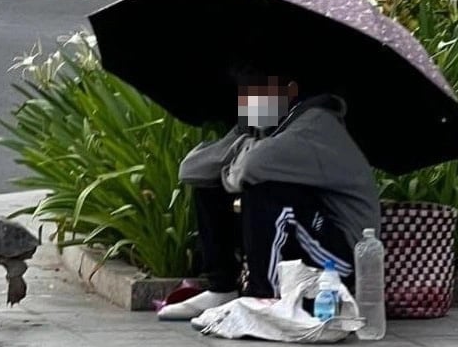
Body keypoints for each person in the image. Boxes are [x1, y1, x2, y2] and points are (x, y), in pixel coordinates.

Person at [157, 74, 381, 320]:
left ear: (291, 90)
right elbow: (192, 169)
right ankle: (222, 289)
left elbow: (251, 167)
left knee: (265, 190)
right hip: (312, 242)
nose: (248, 100)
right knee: (210, 184)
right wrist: (244, 144)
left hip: (345, 260)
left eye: (259, 90)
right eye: (246, 91)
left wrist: (239, 158)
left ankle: (262, 298)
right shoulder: (268, 125)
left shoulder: (315, 125)